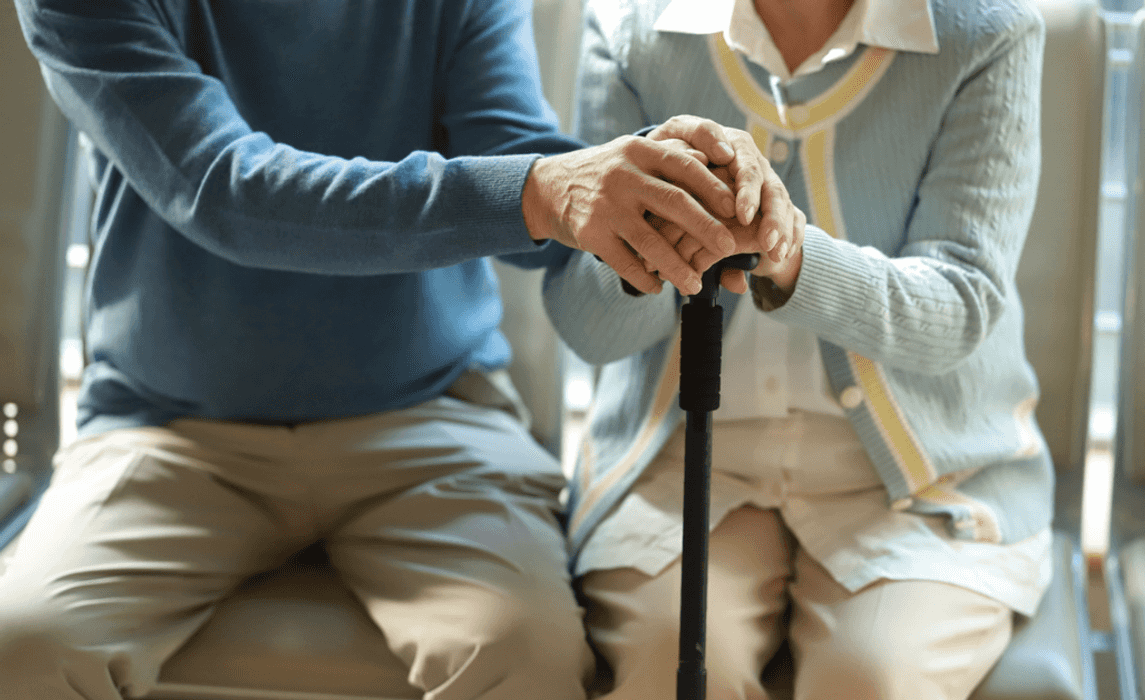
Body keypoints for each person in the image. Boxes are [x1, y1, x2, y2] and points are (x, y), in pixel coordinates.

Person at [0, 1, 801, 699]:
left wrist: (652, 185)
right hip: (167, 430)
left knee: (524, 657)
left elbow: (521, 166)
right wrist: (543, 192)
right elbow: (223, 189)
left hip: (431, 418)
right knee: (23, 651)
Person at [544, 0, 1052, 698]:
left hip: (921, 486)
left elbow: (959, 309)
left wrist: (791, 255)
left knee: (869, 680)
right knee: (676, 670)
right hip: (677, 468)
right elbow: (587, 327)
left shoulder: (985, 34)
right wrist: (652, 245)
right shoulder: (629, 29)